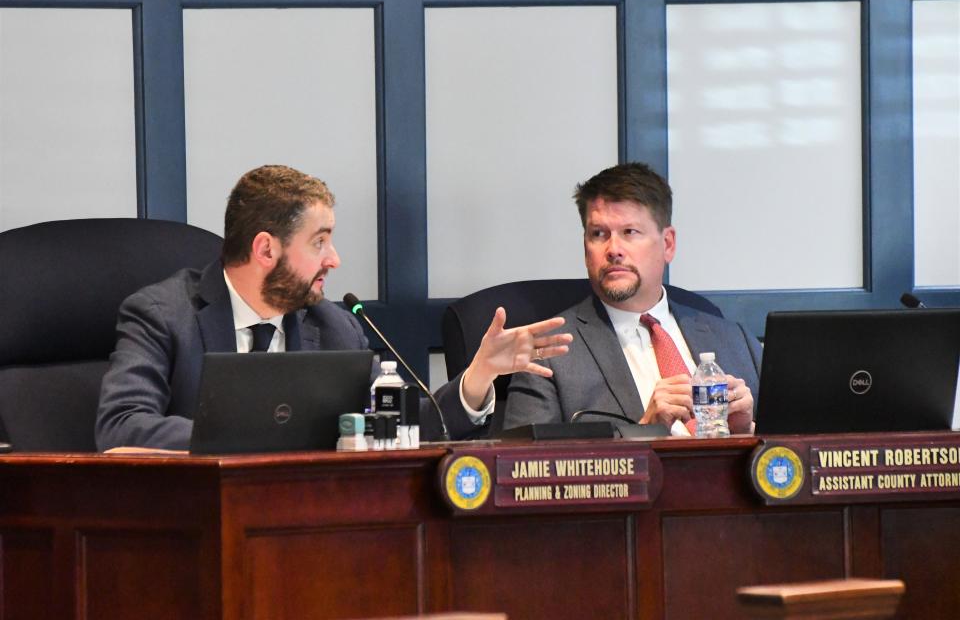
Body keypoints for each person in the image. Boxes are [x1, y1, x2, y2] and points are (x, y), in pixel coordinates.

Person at [96, 165, 572, 450]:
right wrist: (248, 435)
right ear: (266, 250)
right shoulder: (163, 314)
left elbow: (404, 426)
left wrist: (479, 375)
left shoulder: (334, 326)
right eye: (319, 242)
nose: (335, 259)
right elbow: (121, 425)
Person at [503, 162, 762, 435]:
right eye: (598, 234)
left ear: (668, 244)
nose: (613, 249)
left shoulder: (737, 341)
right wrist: (643, 431)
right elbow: (522, 466)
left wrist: (748, 432)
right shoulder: (548, 352)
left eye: (630, 232)